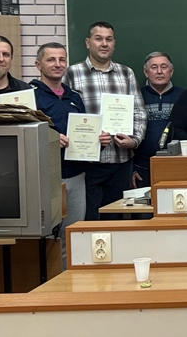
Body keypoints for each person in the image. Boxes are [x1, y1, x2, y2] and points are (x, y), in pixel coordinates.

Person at [63, 21, 147, 221]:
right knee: (87, 218)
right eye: (98, 39)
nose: (104, 44)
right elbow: (64, 113)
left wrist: (134, 140)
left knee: (115, 218)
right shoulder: (72, 73)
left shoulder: (126, 73)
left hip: (120, 161)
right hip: (86, 162)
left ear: (114, 44)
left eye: (109, 39)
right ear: (87, 42)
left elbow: (139, 112)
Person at [29, 42, 87, 265]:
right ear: (38, 64)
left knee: (73, 234)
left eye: (62, 59)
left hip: (76, 174)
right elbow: (23, 134)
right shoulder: (29, 97)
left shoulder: (75, 97)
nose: (57, 64)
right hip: (46, 177)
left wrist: (96, 140)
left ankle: (70, 279)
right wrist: (50, 138)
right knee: (48, 238)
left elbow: (84, 130)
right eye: (51, 59)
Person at [133, 52, 181, 188]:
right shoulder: (136, 96)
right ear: (146, 72)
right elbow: (126, 132)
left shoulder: (184, 96)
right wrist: (131, 169)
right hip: (142, 168)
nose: (159, 71)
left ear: (171, 71)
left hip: (176, 165)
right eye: (154, 67)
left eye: (164, 67)